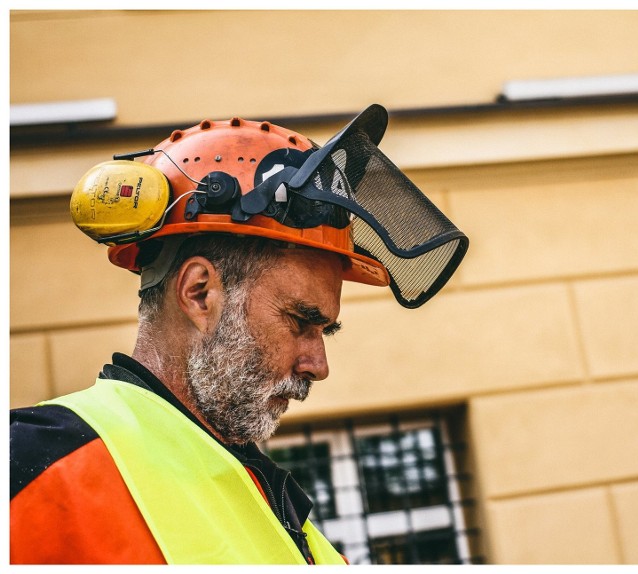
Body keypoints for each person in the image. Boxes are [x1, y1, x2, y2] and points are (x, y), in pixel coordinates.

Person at [9, 105, 468, 564]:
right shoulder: (35, 462)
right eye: (300, 322)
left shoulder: (277, 508)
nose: (319, 365)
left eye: (325, 330)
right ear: (200, 293)